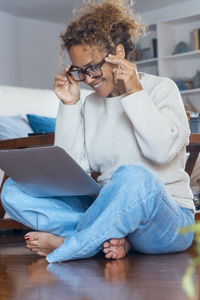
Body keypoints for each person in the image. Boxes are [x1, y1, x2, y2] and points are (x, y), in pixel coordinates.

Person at [1, 0, 195, 263]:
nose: (89, 79)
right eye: (80, 71)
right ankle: (107, 239)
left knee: (134, 177)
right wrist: (69, 106)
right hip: (108, 211)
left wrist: (134, 93)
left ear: (118, 53)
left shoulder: (162, 89)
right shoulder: (89, 104)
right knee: (14, 189)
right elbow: (74, 174)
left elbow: (161, 153)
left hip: (166, 220)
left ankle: (72, 245)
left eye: (92, 67)